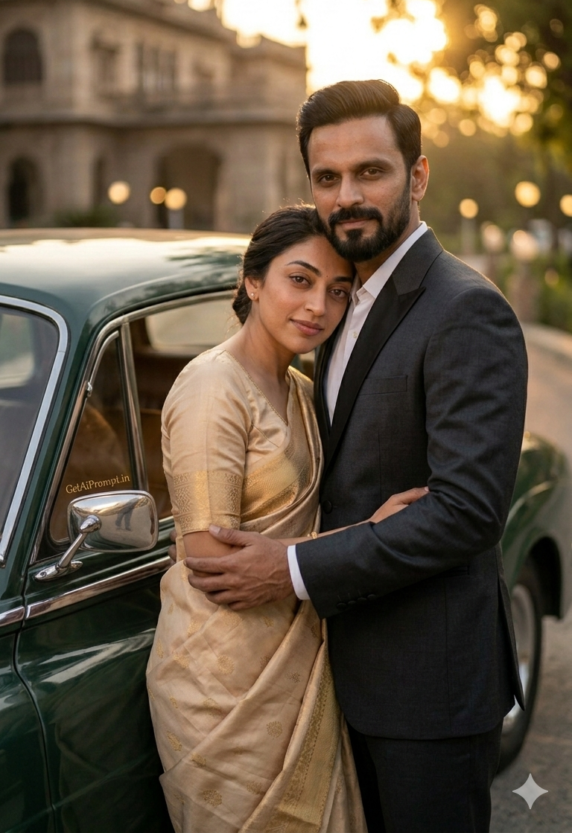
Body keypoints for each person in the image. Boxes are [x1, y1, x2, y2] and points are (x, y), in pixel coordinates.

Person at [184, 80, 528, 833]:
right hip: (328, 678)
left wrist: (293, 566)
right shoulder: (336, 306)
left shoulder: (465, 309)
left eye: (370, 171)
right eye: (326, 178)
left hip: (424, 689)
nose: (347, 196)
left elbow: (467, 513)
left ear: (418, 175)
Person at [147, 204, 427, 833]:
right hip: (221, 684)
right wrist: (368, 537)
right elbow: (210, 562)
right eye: (298, 280)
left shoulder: (303, 389)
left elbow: (295, 535)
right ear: (253, 281)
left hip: (298, 661)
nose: (317, 307)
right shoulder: (211, 388)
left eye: (337, 290)